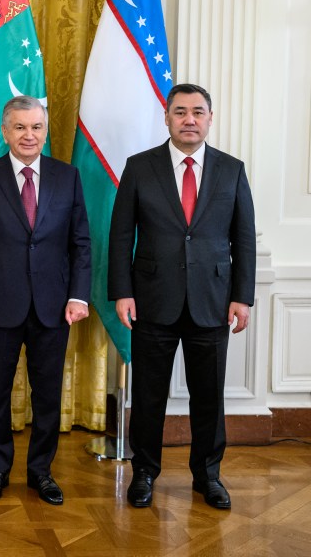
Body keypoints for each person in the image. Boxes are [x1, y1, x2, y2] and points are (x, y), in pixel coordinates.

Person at [109, 83, 256, 510]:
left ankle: (207, 476)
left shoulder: (232, 170)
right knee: (150, 395)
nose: (189, 119)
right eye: (180, 112)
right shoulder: (139, 167)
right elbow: (121, 235)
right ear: (167, 117)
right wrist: (122, 291)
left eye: (197, 112)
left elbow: (243, 238)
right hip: (152, 300)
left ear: (210, 118)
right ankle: (145, 473)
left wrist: (242, 296)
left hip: (213, 302)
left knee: (208, 396)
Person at [0, 95, 92, 505]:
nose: (28, 135)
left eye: (35, 127)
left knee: (47, 394)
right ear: (5, 132)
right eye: (20, 127)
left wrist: (78, 295)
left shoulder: (67, 177)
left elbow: (81, 243)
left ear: (45, 130)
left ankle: (41, 472)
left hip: (54, 305)